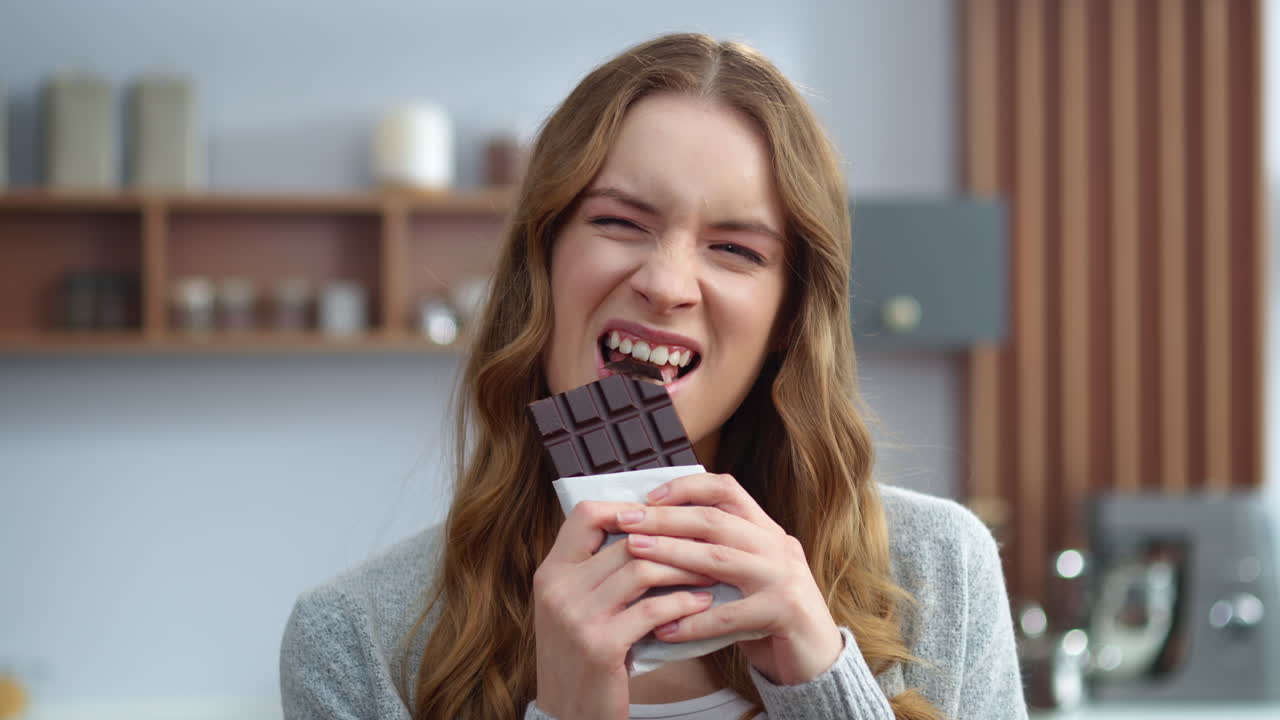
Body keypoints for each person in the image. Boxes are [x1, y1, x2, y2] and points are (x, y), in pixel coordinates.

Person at [280, 32, 1027, 720]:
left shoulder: (940, 571)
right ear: (541, 266)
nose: (667, 283)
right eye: (619, 222)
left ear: (786, 322)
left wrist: (822, 683)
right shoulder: (355, 644)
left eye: (735, 249)